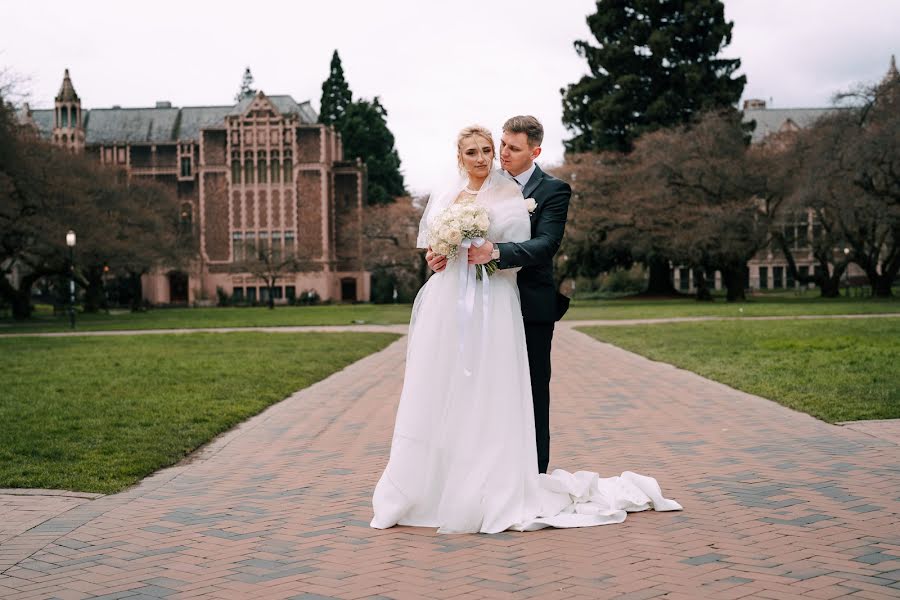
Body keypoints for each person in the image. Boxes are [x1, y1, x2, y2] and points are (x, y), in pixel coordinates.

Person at [370, 125, 680, 534]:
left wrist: (490, 253)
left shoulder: (514, 195)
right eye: (476, 151)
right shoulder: (446, 195)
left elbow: (535, 246)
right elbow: (435, 246)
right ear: (459, 157)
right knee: (443, 385)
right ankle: (435, 485)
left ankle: (506, 481)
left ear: (531, 150)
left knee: (500, 391)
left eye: (490, 150)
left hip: (498, 300)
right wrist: (438, 256)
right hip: (448, 302)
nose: (485, 157)